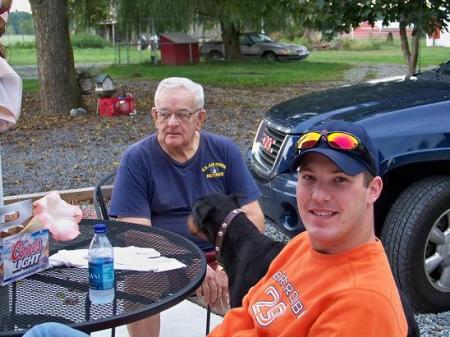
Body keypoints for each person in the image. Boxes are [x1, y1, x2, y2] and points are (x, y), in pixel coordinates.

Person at [207, 119, 408, 336]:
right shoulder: (303, 243)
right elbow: (247, 312)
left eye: (339, 180)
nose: (319, 195)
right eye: (309, 177)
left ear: (373, 189)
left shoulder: (363, 306)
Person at [109, 77, 265, 337]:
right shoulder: (137, 159)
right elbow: (134, 232)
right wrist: (193, 266)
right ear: (153, 116)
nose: (171, 123)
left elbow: (253, 215)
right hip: (164, 259)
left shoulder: (223, 151)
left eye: (182, 115)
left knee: (273, 277)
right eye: (164, 114)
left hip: (224, 255)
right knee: (137, 280)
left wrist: (230, 265)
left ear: (200, 118)